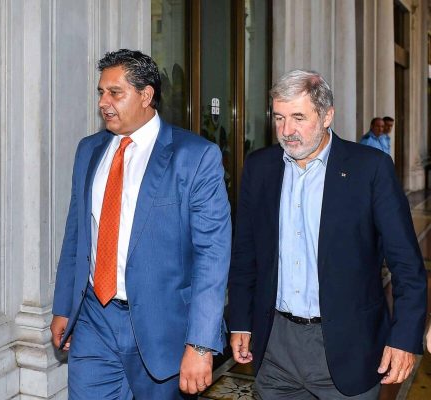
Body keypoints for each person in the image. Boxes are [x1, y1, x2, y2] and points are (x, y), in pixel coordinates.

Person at [227, 69, 427, 399]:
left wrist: (404, 338)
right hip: (275, 345)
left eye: (298, 117)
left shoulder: (370, 168)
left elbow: (407, 264)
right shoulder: (260, 167)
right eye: (278, 118)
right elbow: (245, 254)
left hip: (349, 347)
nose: (286, 131)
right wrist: (240, 321)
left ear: (327, 116)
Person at [50, 49, 232, 399]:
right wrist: (63, 308)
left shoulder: (194, 157)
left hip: (162, 326)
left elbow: (213, 255)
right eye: (101, 92)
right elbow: (76, 236)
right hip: (93, 320)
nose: (104, 102)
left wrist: (200, 343)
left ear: (146, 95)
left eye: (115, 93)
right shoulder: (89, 150)